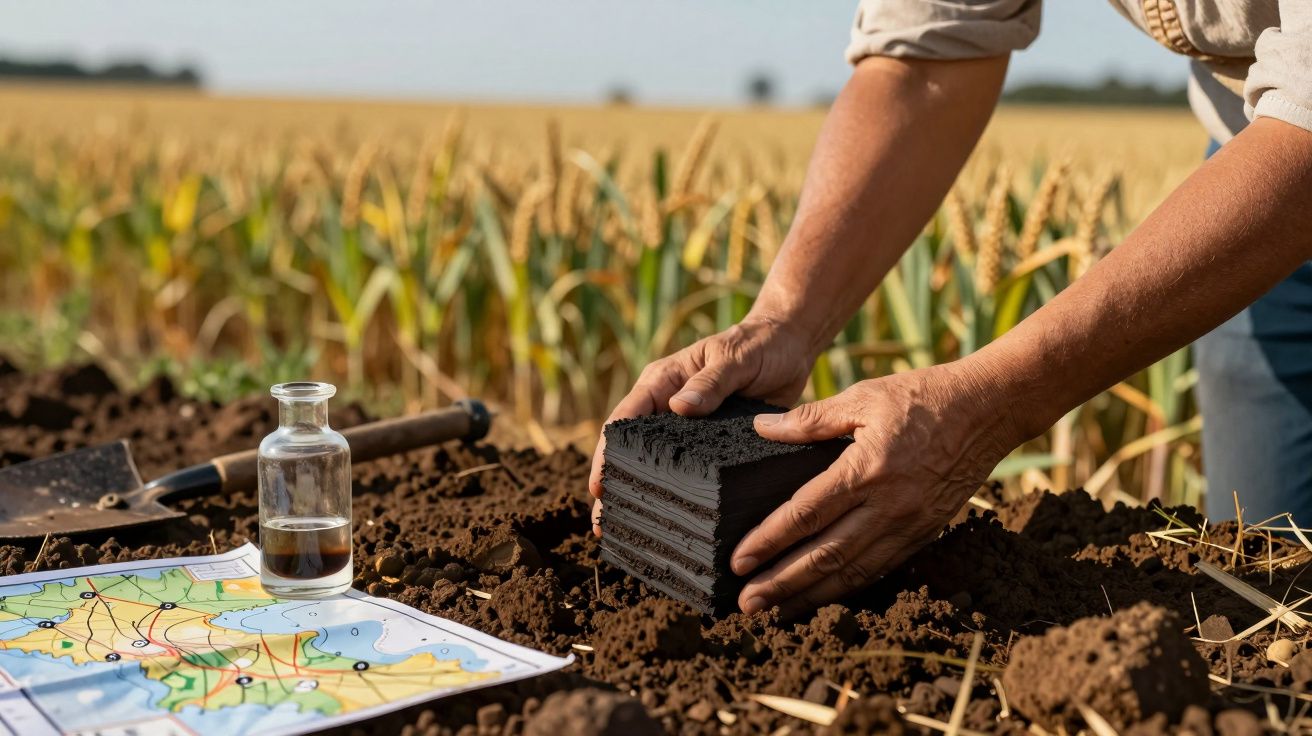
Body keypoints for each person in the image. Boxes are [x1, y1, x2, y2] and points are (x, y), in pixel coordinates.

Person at [590, 0, 1312, 619]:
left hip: (1290, 161)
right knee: (1269, 588)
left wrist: (990, 406)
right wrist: (782, 320)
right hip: (1258, 162)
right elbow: (931, 53)